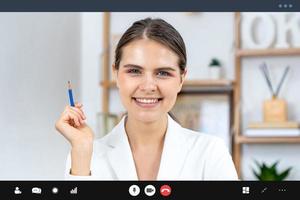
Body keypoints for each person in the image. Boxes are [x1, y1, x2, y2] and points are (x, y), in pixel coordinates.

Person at [55, 17, 238, 180]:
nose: (148, 86)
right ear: (116, 74)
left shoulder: (210, 153)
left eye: (163, 73)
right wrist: (81, 150)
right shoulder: (85, 154)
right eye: (134, 71)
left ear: (181, 79)